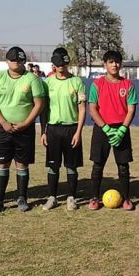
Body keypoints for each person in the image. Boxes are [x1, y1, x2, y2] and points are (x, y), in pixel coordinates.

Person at [0, 46, 45, 213]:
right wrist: (3, 121)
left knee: (22, 164)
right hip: (3, 128)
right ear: (7, 61)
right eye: (14, 60)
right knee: (2, 164)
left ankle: (22, 197)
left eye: (21, 60)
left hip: (24, 130)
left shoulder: (32, 79)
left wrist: (26, 123)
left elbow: (39, 104)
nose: (18, 63)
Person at [88, 50, 137, 211]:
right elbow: (93, 109)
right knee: (98, 165)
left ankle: (127, 198)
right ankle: (94, 197)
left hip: (121, 129)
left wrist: (123, 129)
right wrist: (106, 128)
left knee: (123, 166)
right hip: (103, 129)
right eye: (111, 62)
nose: (114, 65)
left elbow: (131, 109)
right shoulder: (97, 84)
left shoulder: (128, 85)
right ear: (105, 65)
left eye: (117, 62)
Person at [40, 48, 86, 211]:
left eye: (64, 64)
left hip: (71, 129)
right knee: (53, 166)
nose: (62, 67)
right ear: (53, 65)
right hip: (53, 129)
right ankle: (52, 197)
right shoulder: (47, 83)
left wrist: (78, 132)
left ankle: (71, 197)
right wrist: (43, 132)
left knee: (71, 166)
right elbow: (43, 110)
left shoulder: (77, 82)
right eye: (58, 64)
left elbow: (82, 108)